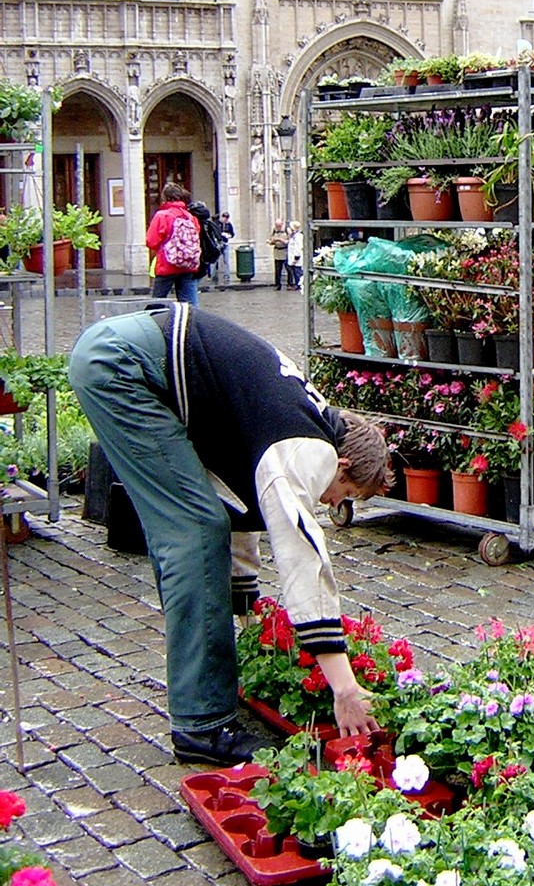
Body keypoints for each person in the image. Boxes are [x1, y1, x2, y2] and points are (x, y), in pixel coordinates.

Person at [67, 303, 393, 766]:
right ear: (342, 464)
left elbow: (239, 512)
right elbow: (302, 553)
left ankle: (206, 686)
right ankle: (203, 727)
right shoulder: (310, 448)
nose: (331, 503)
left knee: (200, 522)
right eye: (344, 493)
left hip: (119, 351)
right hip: (123, 366)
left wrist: (245, 628)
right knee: (194, 532)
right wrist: (344, 686)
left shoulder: (298, 416)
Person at [146, 183, 201, 306]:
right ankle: (189, 324)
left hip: (167, 264)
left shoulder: (162, 216)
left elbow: (151, 241)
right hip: (188, 264)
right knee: (188, 304)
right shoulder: (190, 217)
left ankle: (158, 323)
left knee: (157, 301)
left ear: (164, 197)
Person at [269, 218, 290, 289]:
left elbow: (290, 241)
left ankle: (290, 283)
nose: (278, 227)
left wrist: (281, 240)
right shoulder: (274, 230)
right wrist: (273, 241)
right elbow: (270, 240)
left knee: (288, 268)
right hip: (277, 252)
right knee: (278, 269)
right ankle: (277, 284)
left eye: (279, 226)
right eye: (276, 225)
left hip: (285, 251)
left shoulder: (287, 230)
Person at [214, 212, 235, 283]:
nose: (225, 219)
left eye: (227, 218)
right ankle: (212, 275)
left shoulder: (229, 225)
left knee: (226, 260)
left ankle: (226, 275)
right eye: (224, 218)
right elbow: (214, 232)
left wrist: (229, 235)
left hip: (225, 243)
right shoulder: (217, 224)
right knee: (215, 260)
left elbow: (232, 234)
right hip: (218, 243)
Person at [285, 220, 304, 290]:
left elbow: (298, 248)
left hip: (297, 259)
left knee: (298, 272)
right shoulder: (293, 236)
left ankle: (299, 285)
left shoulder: (298, 236)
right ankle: (297, 284)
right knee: (295, 272)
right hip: (293, 257)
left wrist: (296, 258)